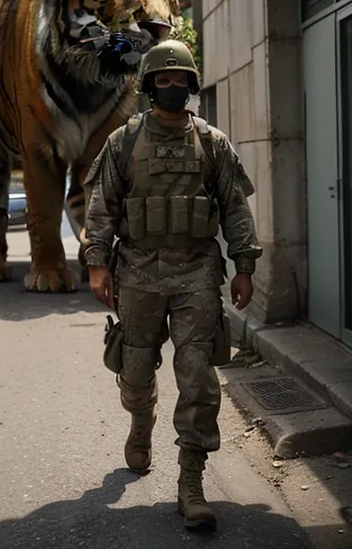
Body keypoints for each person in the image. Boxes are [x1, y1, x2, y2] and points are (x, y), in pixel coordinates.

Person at [83, 39, 262, 531]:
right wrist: (97, 264)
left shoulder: (212, 141)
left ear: (189, 83)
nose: (171, 85)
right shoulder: (123, 141)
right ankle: (142, 419)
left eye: (178, 77)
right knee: (136, 366)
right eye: (161, 78)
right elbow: (102, 208)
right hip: (137, 271)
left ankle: (191, 480)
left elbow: (235, 209)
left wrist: (244, 264)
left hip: (196, 272)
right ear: (148, 85)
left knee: (198, 374)